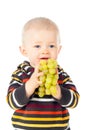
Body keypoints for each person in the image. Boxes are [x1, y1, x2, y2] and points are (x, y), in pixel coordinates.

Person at [6, 17, 80, 130]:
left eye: (51, 46)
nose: (45, 50)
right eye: (37, 46)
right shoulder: (21, 73)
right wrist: (30, 85)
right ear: (24, 51)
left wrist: (59, 92)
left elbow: (74, 102)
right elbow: (12, 102)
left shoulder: (60, 74)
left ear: (58, 50)